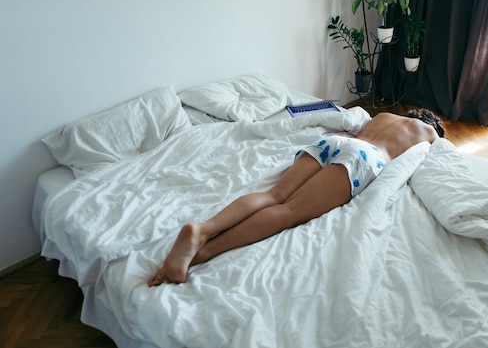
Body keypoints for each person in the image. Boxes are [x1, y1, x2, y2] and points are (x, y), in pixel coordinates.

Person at [148, 109, 445, 286]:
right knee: (290, 211)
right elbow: (432, 159)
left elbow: (352, 121)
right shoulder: (431, 136)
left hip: (335, 143)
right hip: (365, 157)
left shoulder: (382, 115)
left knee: (274, 195)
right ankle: (204, 253)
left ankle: (203, 230)